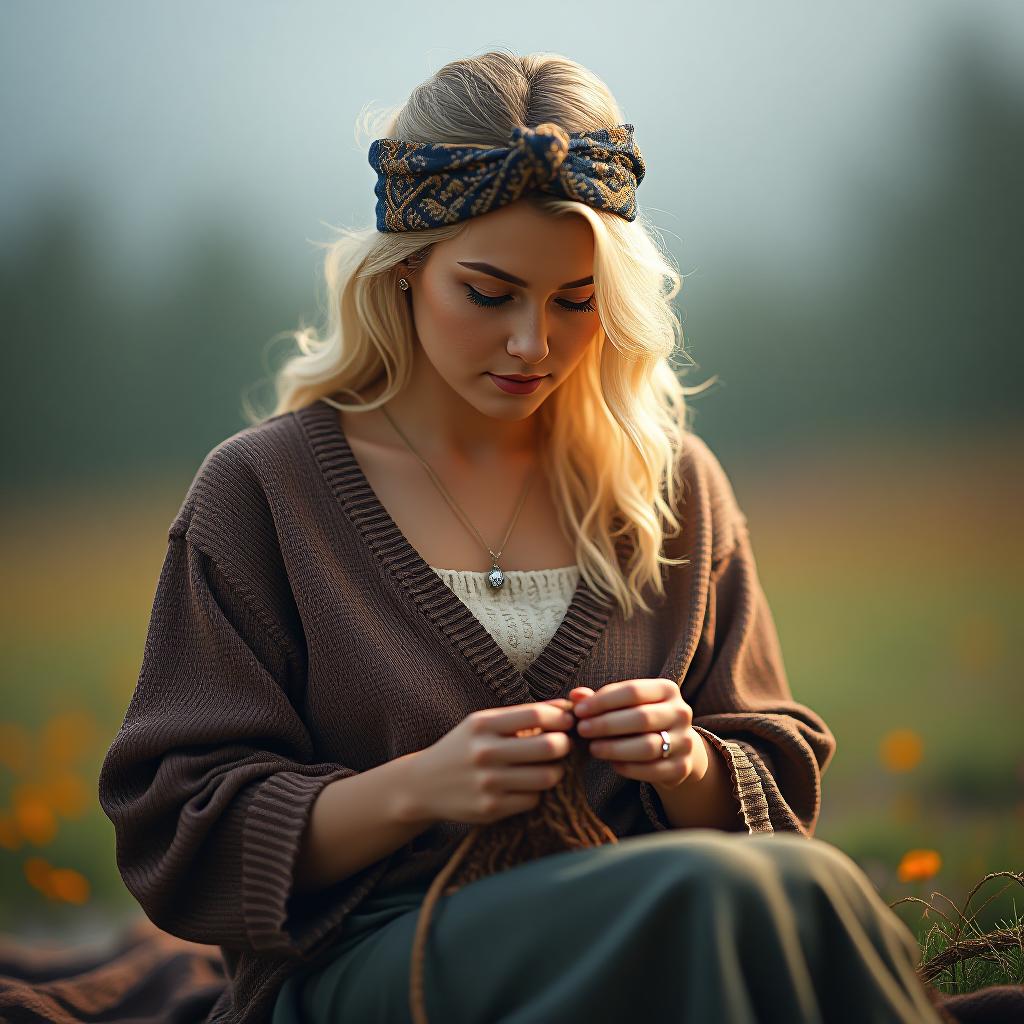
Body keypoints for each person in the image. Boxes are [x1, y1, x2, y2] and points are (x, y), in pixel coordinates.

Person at [98, 49, 953, 1024]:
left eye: (575, 301)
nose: (532, 345)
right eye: (490, 293)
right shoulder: (262, 491)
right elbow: (178, 831)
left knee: (819, 889)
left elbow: (771, 783)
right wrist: (417, 787)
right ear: (406, 269)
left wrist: (688, 764)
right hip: (369, 962)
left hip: (663, 930)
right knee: (710, 896)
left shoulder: (670, 487)